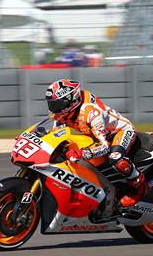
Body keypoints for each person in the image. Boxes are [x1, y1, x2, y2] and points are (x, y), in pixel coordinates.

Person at [45, 79, 146, 207]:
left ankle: (138, 182)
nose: (54, 109)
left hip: (120, 131)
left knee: (115, 158)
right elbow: (54, 134)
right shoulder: (63, 113)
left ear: (71, 101)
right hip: (97, 135)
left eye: (57, 105)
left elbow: (103, 146)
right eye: (51, 105)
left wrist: (82, 152)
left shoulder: (91, 112)